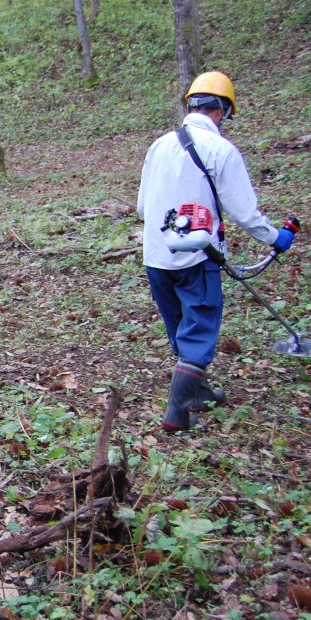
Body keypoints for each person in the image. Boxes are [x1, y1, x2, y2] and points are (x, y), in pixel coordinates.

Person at [137, 71, 297, 432]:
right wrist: (275, 238)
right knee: (201, 323)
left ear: (190, 104)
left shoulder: (159, 145)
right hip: (197, 256)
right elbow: (244, 212)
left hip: (156, 256)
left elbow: (144, 207)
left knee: (180, 325)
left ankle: (198, 394)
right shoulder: (221, 150)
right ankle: (177, 412)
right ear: (223, 111)